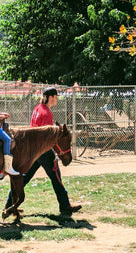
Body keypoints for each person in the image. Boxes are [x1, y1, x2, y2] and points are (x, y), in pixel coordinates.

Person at [5, 87, 82, 216]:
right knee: (56, 176)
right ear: (51, 97)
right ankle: (65, 206)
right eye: (56, 97)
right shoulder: (47, 113)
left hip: (34, 150)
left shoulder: (37, 109)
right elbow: (47, 136)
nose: (57, 99)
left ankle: (9, 205)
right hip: (44, 151)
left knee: (24, 177)